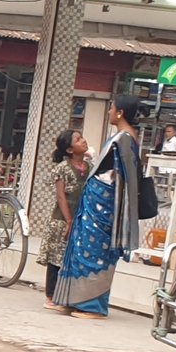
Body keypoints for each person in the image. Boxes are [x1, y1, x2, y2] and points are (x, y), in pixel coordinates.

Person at [54, 95, 144, 320]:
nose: (109, 111)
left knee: (96, 253)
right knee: (82, 248)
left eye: (112, 108)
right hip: (95, 203)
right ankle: (75, 300)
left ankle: (92, 306)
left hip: (103, 205)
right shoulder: (121, 137)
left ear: (120, 112)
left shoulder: (124, 139)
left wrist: (99, 187)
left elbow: (121, 177)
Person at [37, 129, 88, 312]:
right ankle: (51, 295)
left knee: (73, 258)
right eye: (78, 139)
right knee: (56, 258)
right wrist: (68, 220)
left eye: (82, 137)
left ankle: (67, 295)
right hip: (62, 219)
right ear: (69, 149)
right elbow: (61, 197)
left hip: (81, 219)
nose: (83, 141)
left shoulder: (88, 167)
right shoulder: (62, 169)